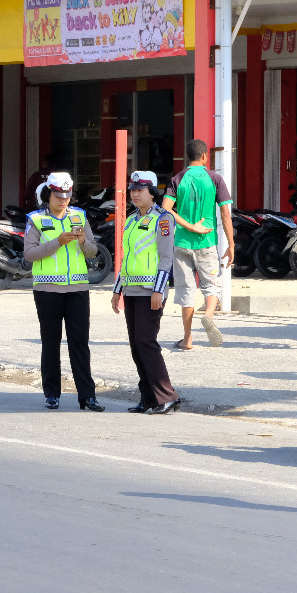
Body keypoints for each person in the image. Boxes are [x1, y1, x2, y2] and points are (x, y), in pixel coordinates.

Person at [23, 172, 104, 412]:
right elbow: (29, 254)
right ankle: (52, 394)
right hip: (47, 290)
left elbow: (92, 252)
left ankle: (87, 396)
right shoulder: (36, 219)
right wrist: (57, 241)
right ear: (49, 195)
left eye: (67, 196)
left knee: (80, 342)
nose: (63, 201)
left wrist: (82, 241)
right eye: (58, 196)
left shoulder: (79, 216)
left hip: (78, 288)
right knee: (51, 342)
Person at [111, 171, 180, 415]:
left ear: (153, 193)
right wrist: (117, 290)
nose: (135, 193)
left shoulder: (162, 219)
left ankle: (167, 395)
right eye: (132, 189)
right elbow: (127, 258)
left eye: (141, 189)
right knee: (136, 345)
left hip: (151, 291)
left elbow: (166, 258)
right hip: (131, 291)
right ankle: (148, 397)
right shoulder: (130, 221)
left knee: (146, 342)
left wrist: (158, 290)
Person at [163, 139, 234, 351]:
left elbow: (166, 208)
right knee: (212, 285)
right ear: (205, 156)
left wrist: (189, 226)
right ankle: (209, 316)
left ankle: (187, 339)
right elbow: (225, 213)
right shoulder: (214, 179)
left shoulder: (177, 178)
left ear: (188, 157)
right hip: (207, 242)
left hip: (182, 243)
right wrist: (231, 244)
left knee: (186, 290)